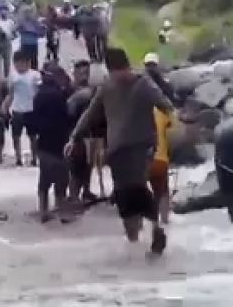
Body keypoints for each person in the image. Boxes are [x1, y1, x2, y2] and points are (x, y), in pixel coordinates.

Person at [66, 47, 173, 251]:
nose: (121, 76)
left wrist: (176, 118)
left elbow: (164, 104)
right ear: (110, 70)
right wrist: (74, 137)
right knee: (123, 194)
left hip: (141, 147)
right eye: (116, 72)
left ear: (128, 67)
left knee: (138, 188)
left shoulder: (143, 84)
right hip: (116, 150)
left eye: (123, 70)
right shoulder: (107, 87)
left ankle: (155, 228)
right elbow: (90, 114)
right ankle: (133, 241)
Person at [28, 65, 73, 222]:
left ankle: (43, 211)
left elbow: (33, 120)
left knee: (45, 178)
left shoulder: (39, 96)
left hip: (44, 142)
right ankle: (63, 213)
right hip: (59, 141)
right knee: (62, 179)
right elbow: (67, 118)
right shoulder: (60, 95)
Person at [66, 60, 97, 202]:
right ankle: (73, 196)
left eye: (87, 73)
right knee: (75, 166)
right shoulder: (71, 90)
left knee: (88, 164)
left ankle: (86, 190)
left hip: (90, 133)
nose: (84, 76)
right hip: (74, 133)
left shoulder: (93, 90)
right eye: (81, 73)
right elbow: (68, 112)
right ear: (75, 74)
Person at [4, 49, 41, 167]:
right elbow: (11, 93)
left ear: (27, 63)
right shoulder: (13, 76)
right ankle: (18, 158)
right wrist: (5, 106)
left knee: (33, 136)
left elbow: (40, 93)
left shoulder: (35, 75)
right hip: (17, 110)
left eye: (21, 63)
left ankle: (35, 158)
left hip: (31, 110)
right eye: (16, 64)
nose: (18, 66)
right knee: (16, 136)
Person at [150, 105, 174, 227]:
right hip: (160, 158)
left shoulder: (133, 111)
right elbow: (171, 133)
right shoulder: (161, 111)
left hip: (138, 161)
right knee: (163, 192)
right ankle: (165, 223)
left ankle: (147, 224)